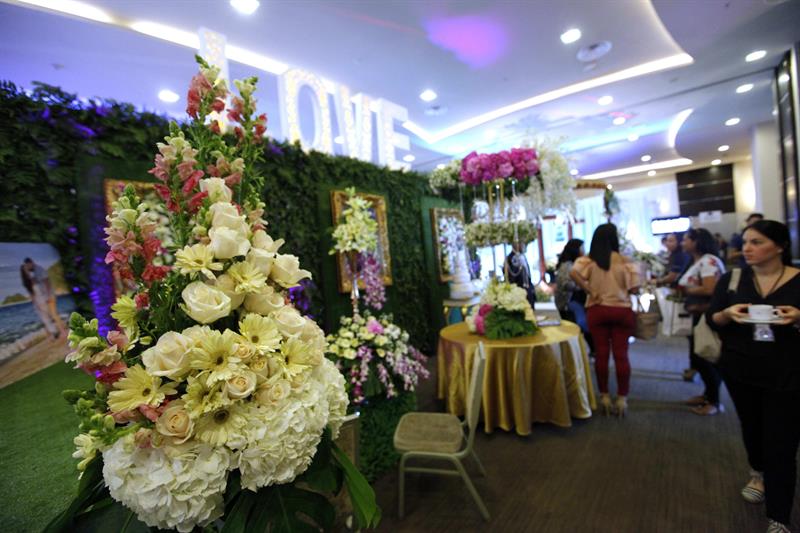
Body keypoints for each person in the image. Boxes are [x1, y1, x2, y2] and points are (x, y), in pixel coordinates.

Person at [707, 220, 800, 533]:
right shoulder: (732, 278)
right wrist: (729, 314)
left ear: (780, 246)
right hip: (740, 369)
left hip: (788, 371)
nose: (747, 248)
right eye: (745, 242)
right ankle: (757, 472)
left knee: (782, 441)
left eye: (757, 242)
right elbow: (713, 318)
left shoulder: (798, 280)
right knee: (752, 427)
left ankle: (779, 515)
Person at [571, 223, 640, 417]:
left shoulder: (589, 260)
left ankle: (604, 397)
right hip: (622, 311)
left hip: (597, 309)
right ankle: (622, 399)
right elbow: (635, 289)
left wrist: (590, 290)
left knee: (601, 354)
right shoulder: (626, 261)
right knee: (621, 355)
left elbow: (573, 272)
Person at [678, 228, 726, 415]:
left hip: (707, 314)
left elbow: (709, 289)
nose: (683, 243)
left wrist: (686, 291)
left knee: (705, 356)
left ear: (696, 241)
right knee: (698, 356)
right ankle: (708, 394)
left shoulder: (709, 261)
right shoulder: (697, 261)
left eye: (686, 240)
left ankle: (714, 401)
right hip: (697, 314)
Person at [555, 239, 593, 353]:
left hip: (573, 302)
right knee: (578, 329)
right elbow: (566, 284)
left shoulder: (574, 264)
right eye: (582, 249)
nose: (584, 252)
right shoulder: (568, 266)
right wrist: (583, 285)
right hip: (570, 303)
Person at [20, 257, 64, 339]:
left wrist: (48, 296)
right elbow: (33, 292)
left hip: (47, 296)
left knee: (53, 314)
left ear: (30, 263)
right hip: (41, 299)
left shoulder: (39, 270)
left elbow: (46, 283)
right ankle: (53, 333)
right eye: (26, 268)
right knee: (46, 317)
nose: (28, 268)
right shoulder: (31, 276)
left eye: (27, 266)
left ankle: (62, 332)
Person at [504, 241, 535, 310]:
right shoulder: (510, 258)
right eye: (522, 243)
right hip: (519, 290)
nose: (523, 245)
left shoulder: (523, 256)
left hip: (528, 289)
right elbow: (511, 276)